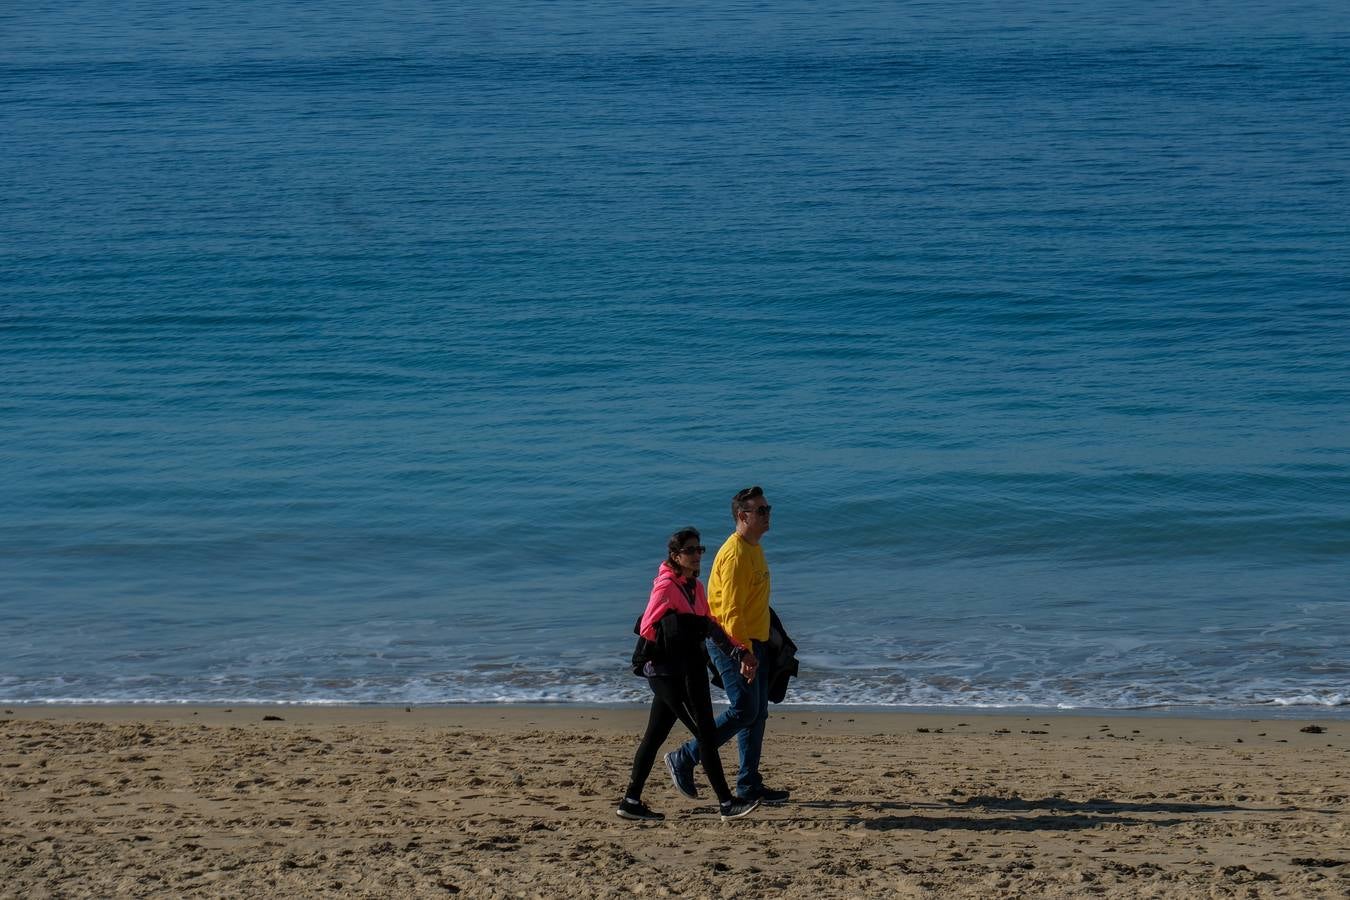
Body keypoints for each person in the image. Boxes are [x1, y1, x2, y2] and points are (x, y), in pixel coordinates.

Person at [616, 527, 761, 822]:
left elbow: (710, 625)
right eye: (691, 550)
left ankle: (630, 801)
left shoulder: (696, 587)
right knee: (705, 734)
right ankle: (725, 803)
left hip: (691, 669)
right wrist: (679, 624)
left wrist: (739, 653)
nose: (697, 555)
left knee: (655, 735)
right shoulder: (666, 586)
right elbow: (647, 627)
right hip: (668, 674)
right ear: (676, 555)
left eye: (700, 550)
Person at [664, 486, 791, 806]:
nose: (767, 515)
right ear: (742, 516)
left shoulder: (754, 548)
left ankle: (749, 784)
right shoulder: (734, 554)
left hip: (756, 643)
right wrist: (744, 652)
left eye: (768, 509)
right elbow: (730, 611)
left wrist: (769, 643)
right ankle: (685, 757)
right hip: (732, 645)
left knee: (757, 713)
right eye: (760, 511)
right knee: (744, 709)